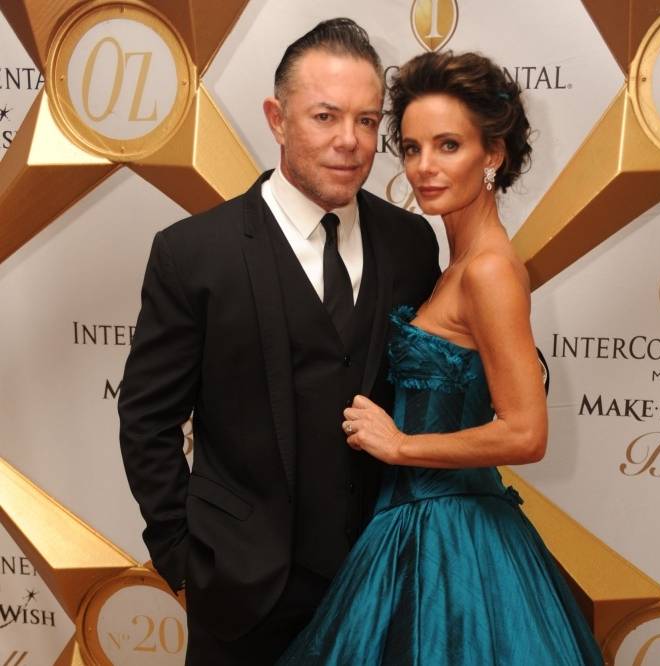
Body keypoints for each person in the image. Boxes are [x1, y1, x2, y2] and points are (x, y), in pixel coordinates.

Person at [117, 18, 440, 666]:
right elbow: (147, 419)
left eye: (367, 120)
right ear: (277, 119)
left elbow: (433, 375)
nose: (350, 141)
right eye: (325, 116)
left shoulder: (410, 242)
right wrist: (184, 560)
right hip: (241, 595)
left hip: (383, 581)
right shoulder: (193, 253)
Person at [278, 51, 604, 664]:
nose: (424, 167)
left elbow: (526, 433)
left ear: (493, 154)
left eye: (448, 146)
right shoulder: (455, 263)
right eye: (411, 148)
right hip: (411, 526)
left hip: (453, 544)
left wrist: (401, 446)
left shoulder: (488, 272)